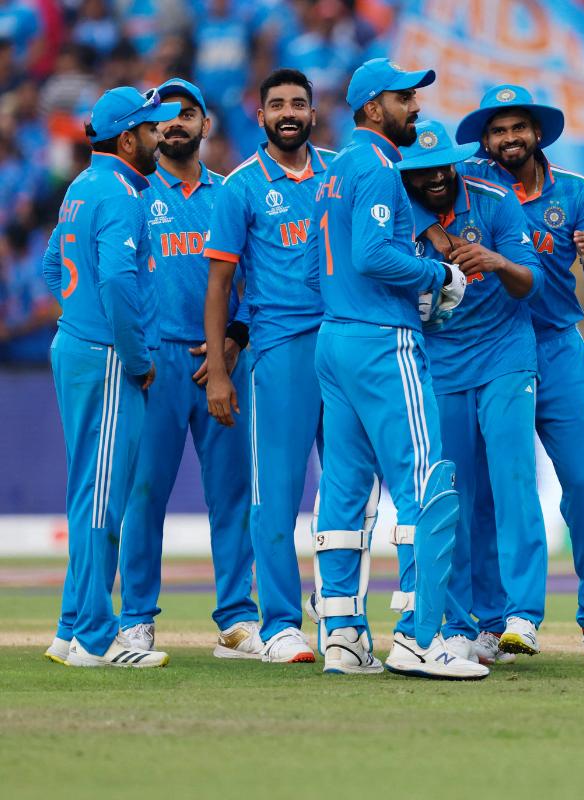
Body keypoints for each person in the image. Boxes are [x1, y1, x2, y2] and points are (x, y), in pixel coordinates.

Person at [303, 61, 484, 680]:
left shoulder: (335, 170)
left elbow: (322, 261)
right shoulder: (378, 166)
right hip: (383, 342)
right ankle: (418, 636)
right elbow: (374, 254)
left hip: (335, 339)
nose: (416, 107)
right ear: (373, 108)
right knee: (426, 485)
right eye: (405, 98)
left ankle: (344, 637)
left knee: (346, 492)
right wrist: (440, 276)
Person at [455, 84, 584, 666]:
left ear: (537, 133)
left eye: (516, 128)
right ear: (485, 140)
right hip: (492, 348)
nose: (507, 140)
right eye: (497, 131)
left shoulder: (574, 191)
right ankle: (494, 620)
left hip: (556, 349)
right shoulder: (472, 186)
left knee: (582, 488)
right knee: (485, 492)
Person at [115, 78, 261, 659]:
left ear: (207, 125)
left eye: (187, 114)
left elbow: (265, 275)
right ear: (150, 130)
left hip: (220, 360)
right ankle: (136, 619)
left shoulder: (232, 194)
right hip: (154, 366)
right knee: (144, 495)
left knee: (232, 493)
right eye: (164, 116)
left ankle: (237, 619)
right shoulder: (132, 194)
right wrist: (135, 349)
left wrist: (234, 338)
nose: (175, 124)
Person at [41, 85, 178, 668]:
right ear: (128, 137)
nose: (159, 137)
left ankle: (71, 626)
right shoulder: (121, 193)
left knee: (87, 489)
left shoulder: (81, 185)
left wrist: (77, 314)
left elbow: (53, 266)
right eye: (151, 129)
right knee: (102, 498)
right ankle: (96, 640)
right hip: (107, 356)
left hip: (77, 346)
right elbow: (120, 283)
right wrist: (136, 356)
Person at [202, 68, 334, 665]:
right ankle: (280, 623)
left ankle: (338, 609)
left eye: (298, 104)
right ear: (260, 116)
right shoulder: (241, 186)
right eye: (276, 104)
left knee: (350, 490)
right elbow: (221, 283)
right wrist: (223, 369)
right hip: (279, 349)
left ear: (313, 112)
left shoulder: (340, 173)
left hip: (348, 343)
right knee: (275, 491)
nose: (288, 112)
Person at [401, 119, 546, 665]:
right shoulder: (395, 208)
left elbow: (530, 280)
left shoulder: (494, 199)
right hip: (440, 362)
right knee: (452, 497)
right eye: (422, 170)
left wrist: (497, 262)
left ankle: (521, 616)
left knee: (512, 484)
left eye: (444, 166)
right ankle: (459, 623)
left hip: (506, 354)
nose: (436, 177)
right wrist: (427, 232)